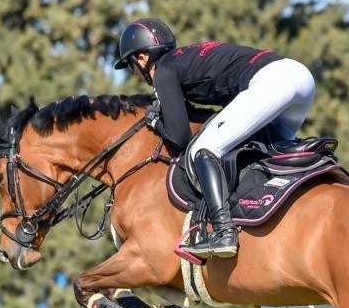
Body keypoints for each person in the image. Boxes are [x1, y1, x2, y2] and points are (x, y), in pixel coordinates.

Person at [114, 18, 317, 259]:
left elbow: (179, 139)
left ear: (143, 57)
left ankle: (224, 231)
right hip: (300, 78)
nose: (135, 74)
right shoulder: (182, 60)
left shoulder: (164, 71)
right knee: (265, 152)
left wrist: (155, 122)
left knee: (203, 150)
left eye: (131, 64)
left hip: (273, 82)